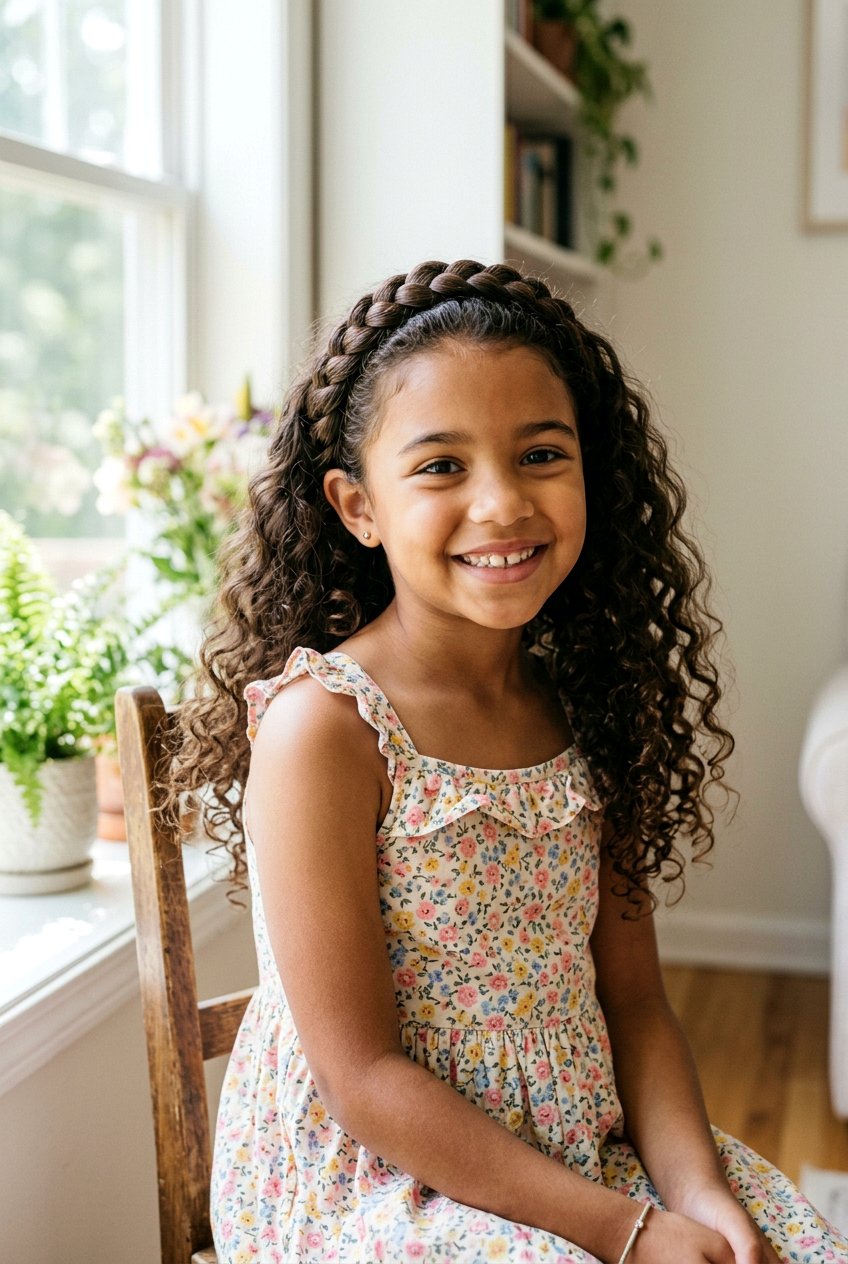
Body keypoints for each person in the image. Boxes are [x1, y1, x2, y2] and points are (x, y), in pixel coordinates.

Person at [168, 259, 847, 1263]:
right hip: (367, 1173)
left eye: (539, 454)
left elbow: (637, 1005)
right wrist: (624, 1230)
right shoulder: (325, 729)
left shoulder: (586, 702)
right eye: (440, 466)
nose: (499, 504)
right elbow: (359, 1075)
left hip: (571, 1141)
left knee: (781, 1238)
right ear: (358, 507)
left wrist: (693, 1193)